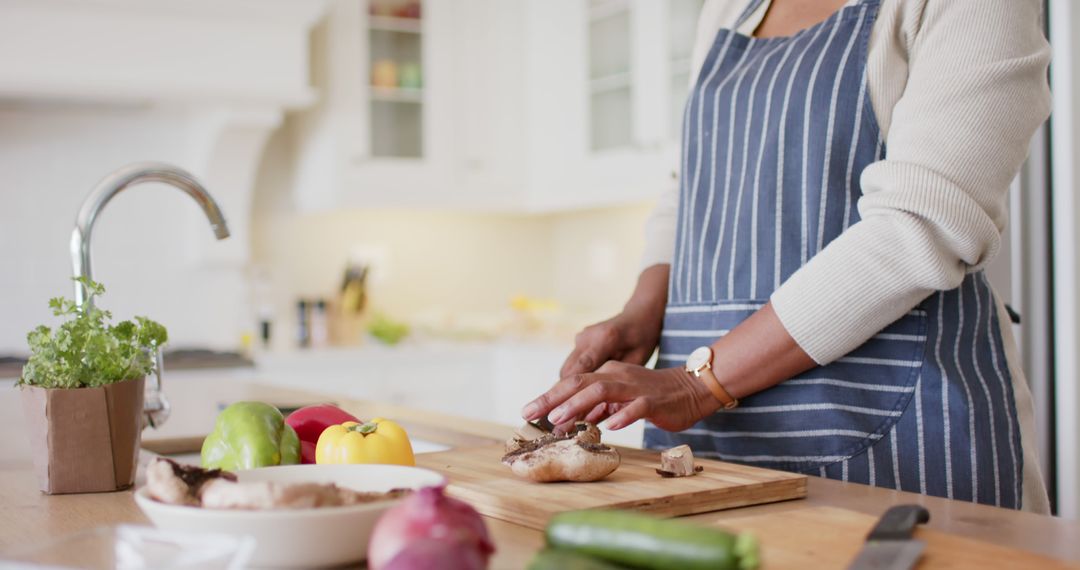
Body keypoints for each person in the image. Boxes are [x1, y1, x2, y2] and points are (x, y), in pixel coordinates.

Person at [522, 0, 1052, 512]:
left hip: (896, 438)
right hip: (710, 434)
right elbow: (689, 189)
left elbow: (922, 224)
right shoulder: (729, 8)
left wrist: (696, 382)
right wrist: (641, 313)